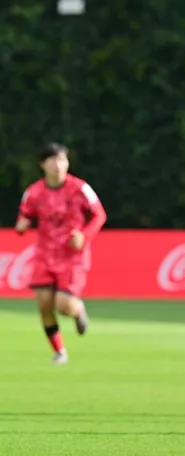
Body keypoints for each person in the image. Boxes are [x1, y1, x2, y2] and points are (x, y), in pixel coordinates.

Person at [15, 143, 107, 365]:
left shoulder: (80, 188)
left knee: (64, 306)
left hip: (72, 256)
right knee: (44, 304)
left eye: (62, 160)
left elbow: (99, 215)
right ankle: (59, 351)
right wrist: (22, 225)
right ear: (42, 164)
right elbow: (24, 215)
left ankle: (78, 309)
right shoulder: (34, 191)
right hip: (44, 254)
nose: (58, 165)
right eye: (53, 160)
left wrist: (84, 236)